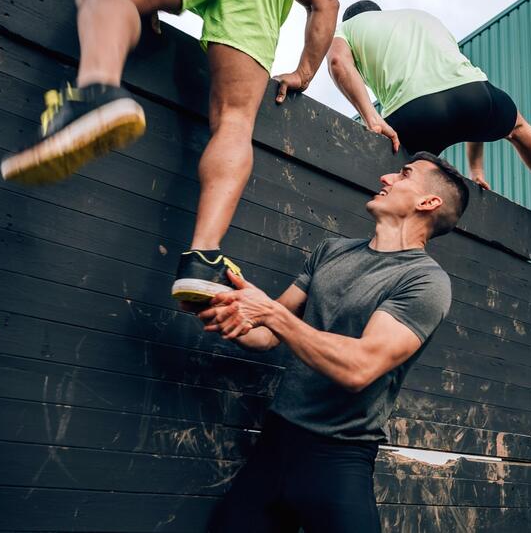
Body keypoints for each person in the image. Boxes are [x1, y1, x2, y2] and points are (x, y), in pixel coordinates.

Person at [0, 0, 339, 301]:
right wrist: (304, 73)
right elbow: (326, 2)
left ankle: (97, 91)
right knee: (235, 121)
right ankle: (204, 257)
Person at [191, 152, 468, 532]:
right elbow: (266, 335)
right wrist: (219, 305)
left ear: (428, 202)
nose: (386, 177)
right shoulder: (331, 252)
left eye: (404, 174)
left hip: (337, 457)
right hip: (274, 444)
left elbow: (359, 368)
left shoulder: (425, 282)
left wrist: (270, 313)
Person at [326, 0, 531, 226]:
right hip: (473, 95)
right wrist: (476, 171)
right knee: (518, 129)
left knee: (400, 179)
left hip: (412, 113)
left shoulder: (347, 28)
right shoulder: (420, 16)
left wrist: (371, 117)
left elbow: (338, 61)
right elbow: (454, 89)